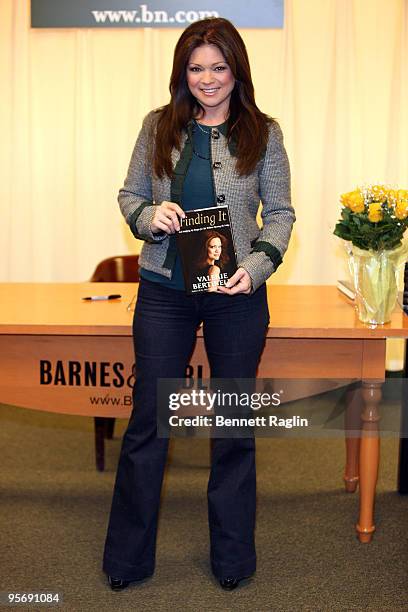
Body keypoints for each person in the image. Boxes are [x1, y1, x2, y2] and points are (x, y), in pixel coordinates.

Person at [103, 16, 295, 591]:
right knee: (148, 425)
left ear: (236, 70)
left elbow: (280, 214)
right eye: (196, 68)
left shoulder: (265, 132)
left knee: (232, 425)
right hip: (165, 292)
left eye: (218, 67)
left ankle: (232, 560)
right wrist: (146, 216)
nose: (207, 79)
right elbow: (131, 192)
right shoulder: (158, 125)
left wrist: (256, 267)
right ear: (182, 74)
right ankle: (127, 561)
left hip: (235, 298)